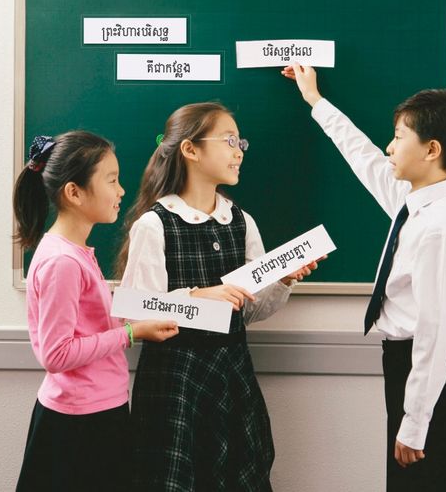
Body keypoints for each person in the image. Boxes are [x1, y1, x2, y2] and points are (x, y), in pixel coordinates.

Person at [282, 63, 446, 492]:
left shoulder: (440, 228)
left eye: (398, 137)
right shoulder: (415, 202)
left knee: (427, 483)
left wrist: (415, 423)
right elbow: (364, 157)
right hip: (407, 364)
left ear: (431, 150)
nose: (388, 148)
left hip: (430, 369)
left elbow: (437, 331)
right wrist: (315, 101)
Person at [117, 102, 318, 491]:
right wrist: (200, 296)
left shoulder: (240, 221)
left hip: (232, 372)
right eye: (228, 140)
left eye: (239, 140)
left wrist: (283, 280)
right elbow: (134, 311)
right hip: (176, 381)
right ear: (190, 150)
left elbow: (249, 309)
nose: (239, 150)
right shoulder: (155, 224)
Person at [13, 131, 179, 492]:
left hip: (98, 409)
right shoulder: (62, 262)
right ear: (74, 192)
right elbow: (57, 354)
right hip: (79, 423)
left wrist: (165, 303)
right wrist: (133, 334)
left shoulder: (74, 253)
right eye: (112, 180)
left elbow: (90, 323)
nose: (122, 191)